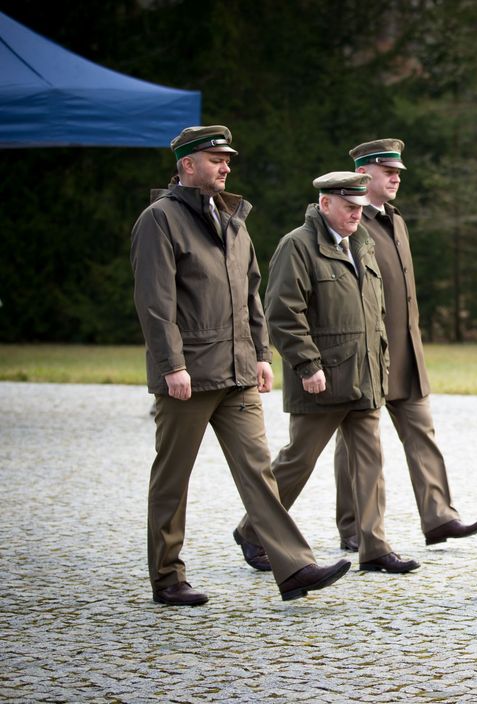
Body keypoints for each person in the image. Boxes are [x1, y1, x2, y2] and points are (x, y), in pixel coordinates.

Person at [130, 125, 350, 605]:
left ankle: (293, 569)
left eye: (227, 159)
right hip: (188, 374)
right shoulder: (159, 220)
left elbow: (252, 293)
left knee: (259, 474)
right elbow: (155, 302)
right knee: (173, 478)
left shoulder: (234, 219)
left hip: (238, 374)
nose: (225, 166)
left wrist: (261, 354)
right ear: (187, 165)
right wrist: (171, 365)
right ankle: (168, 578)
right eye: (214, 159)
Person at [232, 171, 420, 575]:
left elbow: (376, 312)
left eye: (359, 208)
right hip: (321, 380)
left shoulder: (362, 244)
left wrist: (381, 363)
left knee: (370, 463)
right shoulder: (296, 246)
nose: (357, 214)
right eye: (349, 207)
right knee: (298, 460)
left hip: (365, 377)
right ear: (325, 204)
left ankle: (375, 549)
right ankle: (252, 530)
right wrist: (306, 364)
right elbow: (283, 314)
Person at [329, 138, 477, 551]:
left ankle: (439, 517)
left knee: (422, 431)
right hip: (367, 353)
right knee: (356, 443)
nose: (397, 177)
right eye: (388, 171)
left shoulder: (395, 220)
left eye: (398, 172)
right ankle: (351, 527)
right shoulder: (351, 222)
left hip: (406, 349)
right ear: (364, 175)